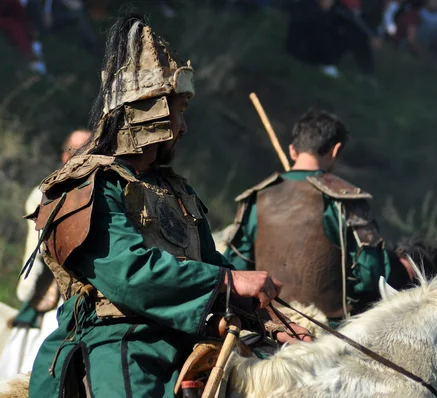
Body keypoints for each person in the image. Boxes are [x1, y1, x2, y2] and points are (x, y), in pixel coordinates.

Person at [26, 14, 310, 398]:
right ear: (148, 116)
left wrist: (273, 320)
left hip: (187, 335)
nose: (183, 127)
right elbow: (128, 273)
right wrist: (227, 281)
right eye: (178, 112)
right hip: (119, 341)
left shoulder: (175, 190)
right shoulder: (89, 185)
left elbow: (214, 264)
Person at [223, 109, 400, 326]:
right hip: (330, 336)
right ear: (335, 151)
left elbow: (234, 267)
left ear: (292, 151)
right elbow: (371, 276)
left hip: (267, 327)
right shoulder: (346, 200)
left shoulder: (256, 198)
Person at [0, 129, 92, 381]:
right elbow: (38, 249)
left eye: (89, 148)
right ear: (64, 155)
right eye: (77, 150)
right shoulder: (49, 191)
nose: (84, 155)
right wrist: (28, 287)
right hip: (56, 289)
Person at [286, 0, 380, 79]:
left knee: (354, 32)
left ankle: (367, 73)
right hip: (303, 46)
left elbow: (351, 17)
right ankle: (326, 63)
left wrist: (371, 34)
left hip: (311, 43)